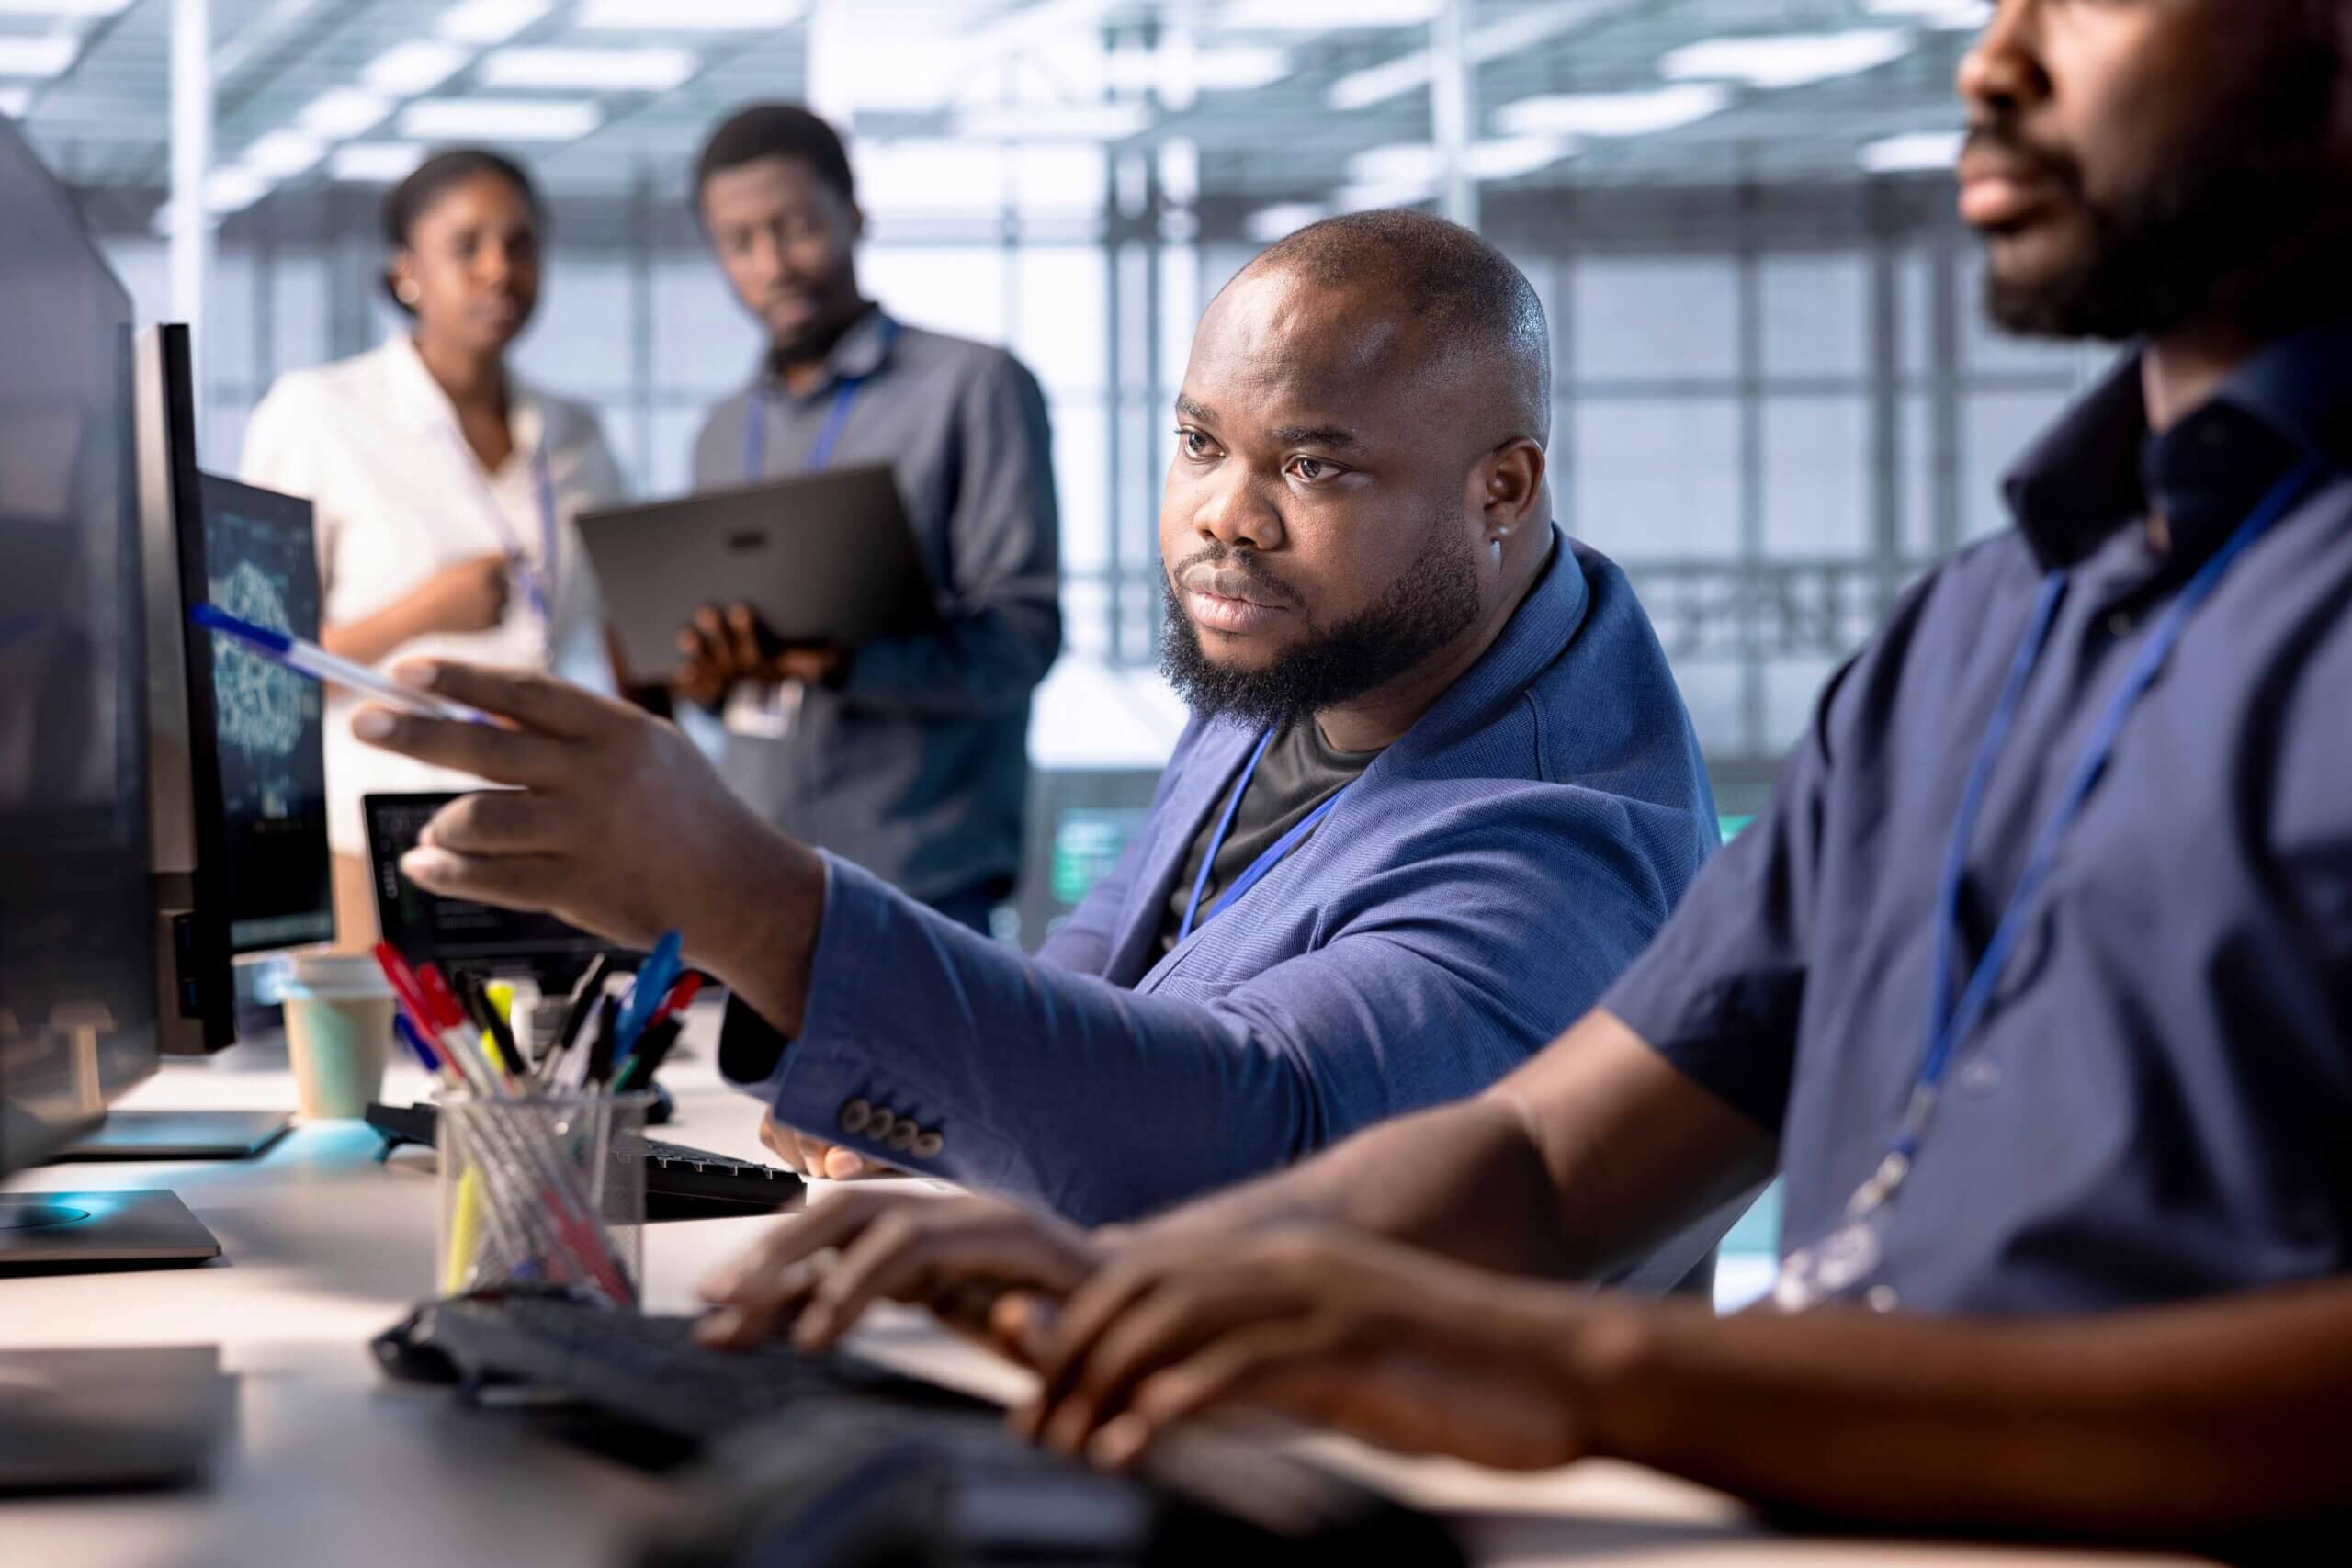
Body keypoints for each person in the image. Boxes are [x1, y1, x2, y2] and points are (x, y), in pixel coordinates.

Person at [681, 0, 2352, 1543]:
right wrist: (1148, 1268)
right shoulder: (1981, 634)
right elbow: (1550, 1162)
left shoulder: (1562, 803)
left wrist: (1585, 1376)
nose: (1993, 62)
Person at [349, 211, 1727, 1242]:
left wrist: (761, 909)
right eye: (1201, 443)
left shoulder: (1557, 841)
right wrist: (936, 1092)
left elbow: (1279, 1139)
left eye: (1313, 463)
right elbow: (1106, 950)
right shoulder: (1328, 652)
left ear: (1504, 484)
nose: (1224, 518)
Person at [671, 104, 1061, 936]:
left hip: (921, 883)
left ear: (854, 214)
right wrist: (708, 679)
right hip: (753, 870)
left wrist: (848, 662)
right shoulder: (719, 431)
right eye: (739, 242)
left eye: (797, 226)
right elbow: (728, 692)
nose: (771, 263)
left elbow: (1022, 638)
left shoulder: (973, 388)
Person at [242, 149, 623, 951]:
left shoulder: (576, 432)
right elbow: (255, 665)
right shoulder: (320, 413)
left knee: (545, 1067)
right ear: (407, 270)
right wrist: (425, 613)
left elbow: (614, 634)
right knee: (378, 1070)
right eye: (468, 246)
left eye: (520, 245)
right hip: (379, 831)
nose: (500, 270)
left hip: (541, 823)